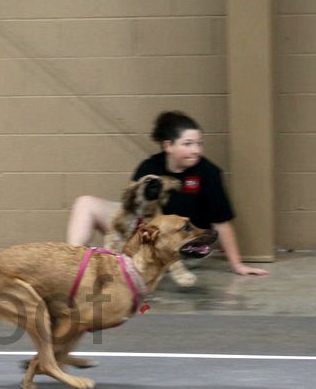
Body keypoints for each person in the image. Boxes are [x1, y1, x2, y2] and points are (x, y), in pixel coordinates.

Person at [67, 110, 269, 279]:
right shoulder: (149, 167)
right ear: (168, 146)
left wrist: (237, 265)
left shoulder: (208, 173)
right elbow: (129, 212)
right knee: (85, 203)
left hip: (183, 250)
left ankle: (118, 262)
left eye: (199, 143)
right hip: (147, 241)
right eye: (188, 144)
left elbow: (222, 222)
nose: (196, 150)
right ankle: (73, 268)